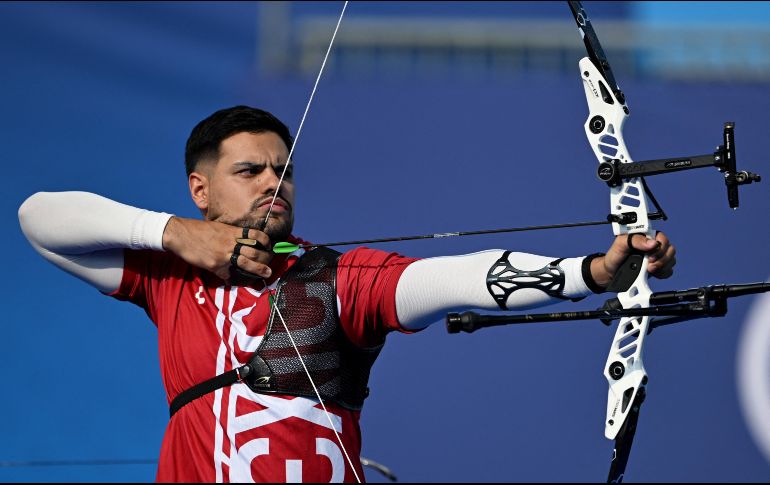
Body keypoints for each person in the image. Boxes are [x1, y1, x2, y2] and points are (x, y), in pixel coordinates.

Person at [17, 105, 676, 483]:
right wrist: (176, 236)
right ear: (201, 190)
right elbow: (38, 218)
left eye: (285, 170)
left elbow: (449, 278)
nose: (274, 181)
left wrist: (592, 271)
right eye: (250, 171)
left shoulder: (330, 277)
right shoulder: (169, 275)